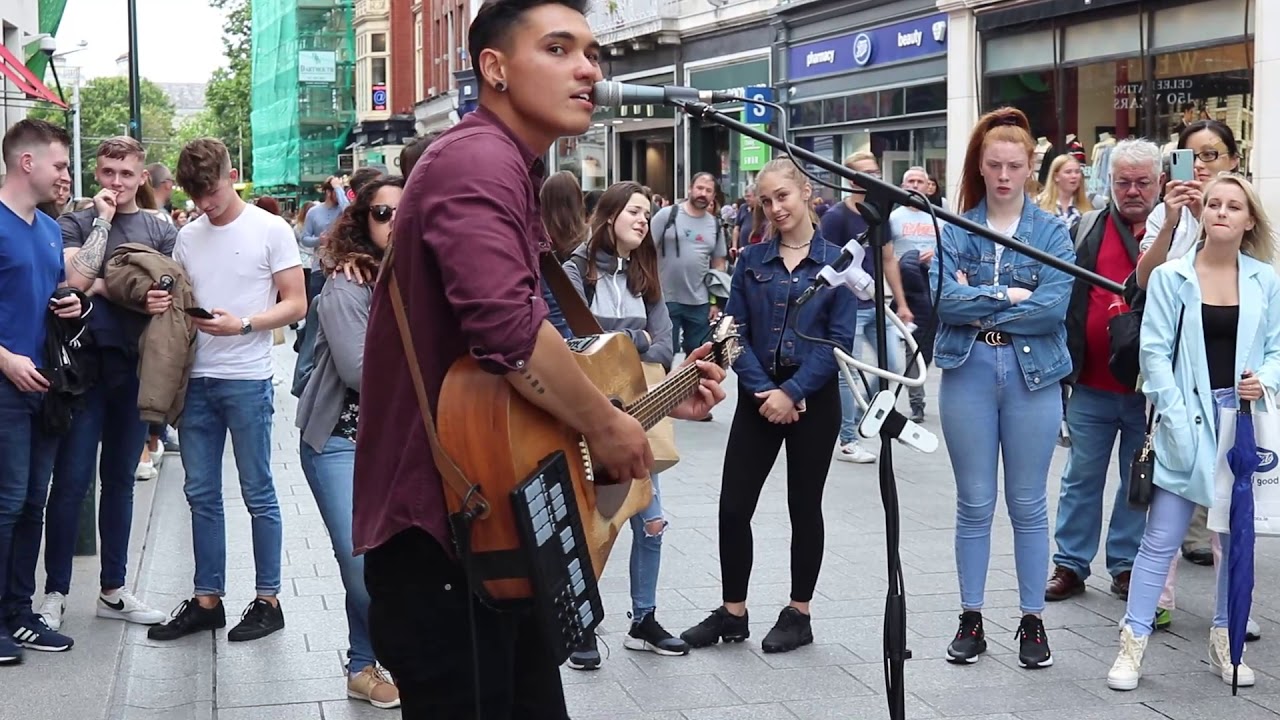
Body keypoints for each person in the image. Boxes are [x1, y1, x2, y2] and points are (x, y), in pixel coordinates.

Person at [350, 1, 727, 717]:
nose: (589, 67)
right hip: (442, 538)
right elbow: (507, 332)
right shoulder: (476, 159)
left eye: (591, 51)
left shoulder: (502, 165)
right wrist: (610, 428)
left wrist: (649, 402)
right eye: (558, 49)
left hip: (484, 525)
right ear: (494, 68)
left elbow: (513, 371)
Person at [1108, 173, 1280, 690]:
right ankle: (1132, 644)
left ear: (1249, 220)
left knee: (1235, 541)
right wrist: (1177, 418)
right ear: (1202, 214)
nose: (1222, 212)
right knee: (1159, 539)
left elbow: (1275, 350)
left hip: (1242, 426)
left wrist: (1263, 381)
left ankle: (1224, 642)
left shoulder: (1264, 279)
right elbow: (1154, 353)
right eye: (1214, 204)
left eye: (1234, 206)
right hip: (1185, 418)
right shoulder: (1171, 277)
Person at [680, 157, 854, 654]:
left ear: (805, 193)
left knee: (805, 506)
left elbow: (836, 342)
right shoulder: (752, 260)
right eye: (767, 199)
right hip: (759, 396)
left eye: (784, 196)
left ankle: (799, 614)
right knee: (734, 506)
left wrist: (793, 393)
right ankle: (733, 613)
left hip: (813, 402)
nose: (775, 207)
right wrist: (763, 391)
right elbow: (730, 332)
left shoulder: (838, 262)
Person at [147, 138, 306, 643]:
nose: (205, 204)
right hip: (197, 378)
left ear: (231, 174)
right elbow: (179, 301)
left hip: (248, 377)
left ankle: (268, 600)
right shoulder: (189, 237)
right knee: (201, 493)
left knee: (258, 491)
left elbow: (297, 302)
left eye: (211, 192)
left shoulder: (270, 228)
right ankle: (207, 599)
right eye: (196, 195)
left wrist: (244, 325)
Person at [931, 107, 1074, 669]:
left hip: (1032, 374)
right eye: (995, 164)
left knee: (1028, 502)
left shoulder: (1052, 232)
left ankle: (1032, 620)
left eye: (1015, 165)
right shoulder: (957, 225)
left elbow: (1052, 309)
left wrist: (984, 299)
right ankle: (971, 615)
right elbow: (944, 301)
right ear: (981, 166)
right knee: (974, 502)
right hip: (967, 369)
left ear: (1030, 167)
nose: (1005, 175)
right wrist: (1013, 296)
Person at [38, 136, 176, 635]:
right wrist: (101, 227)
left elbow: (164, 293)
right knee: (72, 483)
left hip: (134, 369)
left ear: (142, 176)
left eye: (125, 173)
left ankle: (113, 590)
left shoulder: (160, 229)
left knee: (120, 482)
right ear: (97, 173)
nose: (115, 183)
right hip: (82, 371)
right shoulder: (75, 220)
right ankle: (54, 593)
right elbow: (75, 278)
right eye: (107, 172)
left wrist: (105, 287)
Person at [561, 181, 687, 670]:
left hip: (643, 412)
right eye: (635, 211)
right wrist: (631, 337)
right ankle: (582, 624)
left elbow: (664, 347)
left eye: (648, 213)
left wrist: (619, 338)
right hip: (588, 417)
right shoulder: (576, 271)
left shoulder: (644, 274)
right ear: (608, 215)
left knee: (651, 520)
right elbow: (577, 341)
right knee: (594, 521)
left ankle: (644, 619)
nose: (643, 219)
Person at [296, 177, 404, 709]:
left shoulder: (417, 277)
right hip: (339, 442)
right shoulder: (346, 285)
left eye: (405, 213)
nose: (395, 222)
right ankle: (369, 661)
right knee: (360, 563)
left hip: (396, 446)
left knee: (388, 560)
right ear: (364, 219)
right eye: (383, 213)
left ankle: (365, 665)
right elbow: (361, 370)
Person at [1045, 140, 1163, 607]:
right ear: (1108, 182)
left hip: (1147, 387)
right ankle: (1070, 564)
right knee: (1081, 476)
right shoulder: (1089, 225)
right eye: (1123, 182)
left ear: (1160, 181)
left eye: (1142, 182)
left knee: (1139, 479)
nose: (1132, 191)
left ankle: (1127, 565)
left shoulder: (1175, 231)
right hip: (1091, 380)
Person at [0, 119, 82, 663]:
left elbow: (52, 293)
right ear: (26, 162)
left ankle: (17, 613)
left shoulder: (51, 230)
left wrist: (73, 304)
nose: (65, 174)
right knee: (6, 503)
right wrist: (4, 359)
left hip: (45, 388)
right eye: (59, 164)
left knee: (33, 502)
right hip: (5, 387)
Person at [820, 151, 911, 463]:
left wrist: (901, 302)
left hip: (876, 304)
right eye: (868, 172)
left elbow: (888, 258)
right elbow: (826, 263)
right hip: (848, 308)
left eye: (877, 170)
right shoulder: (836, 217)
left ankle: (864, 410)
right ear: (852, 180)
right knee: (848, 375)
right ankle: (847, 440)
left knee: (895, 367)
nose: (876, 176)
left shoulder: (878, 212)